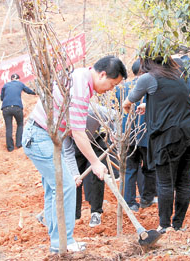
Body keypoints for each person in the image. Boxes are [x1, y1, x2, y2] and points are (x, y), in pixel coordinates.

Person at [22, 56, 127, 253]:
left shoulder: (80, 76)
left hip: (46, 136)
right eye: (112, 84)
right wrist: (95, 163)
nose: (110, 89)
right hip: (40, 136)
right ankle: (65, 241)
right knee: (66, 186)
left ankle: (58, 243)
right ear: (102, 74)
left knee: (56, 189)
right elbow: (78, 133)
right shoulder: (80, 89)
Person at [122, 45, 190, 232]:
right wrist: (148, 106)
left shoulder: (148, 78)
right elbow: (172, 100)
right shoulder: (178, 74)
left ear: (145, 60)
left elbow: (130, 99)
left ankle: (164, 226)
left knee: (165, 182)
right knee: (183, 180)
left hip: (169, 136)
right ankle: (178, 225)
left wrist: (129, 106)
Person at [117, 59, 157, 212]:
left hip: (128, 134)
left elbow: (118, 110)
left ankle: (130, 202)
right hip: (146, 134)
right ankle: (147, 198)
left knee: (130, 169)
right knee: (149, 168)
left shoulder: (121, 88)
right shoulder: (150, 85)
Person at [0, 73, 36, 152]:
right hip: (17, 107)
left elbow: (2, 98)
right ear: (18, 79)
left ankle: (10, 148)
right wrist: (36, 93)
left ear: (11, 79)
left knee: (8, 127)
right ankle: (19, 144)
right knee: (20, 124)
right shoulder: (20, 84)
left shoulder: (5, 85)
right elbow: (28, 91)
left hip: (6, 108)